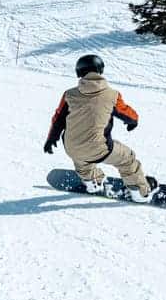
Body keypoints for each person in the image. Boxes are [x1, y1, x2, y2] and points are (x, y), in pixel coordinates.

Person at [43, 53, 153, 201]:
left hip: (72, 148)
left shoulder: (69, 95)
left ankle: (91, 182)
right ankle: (139, 192)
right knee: (127, 159)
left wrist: (51, 139)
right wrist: (133, 122)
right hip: (99, 148)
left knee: (82, 161)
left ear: (79, 72)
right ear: (100, 70)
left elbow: (58, 119)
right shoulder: (112, 95)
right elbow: (128, 114)